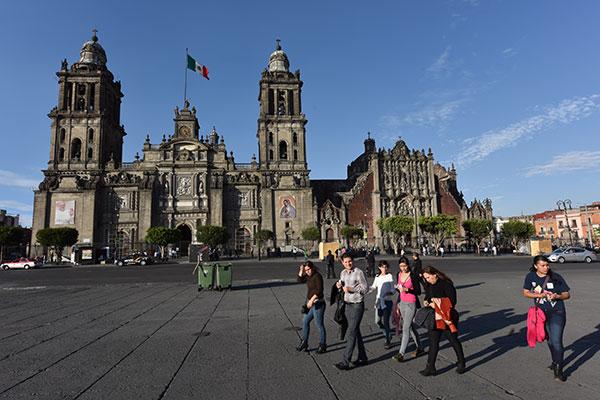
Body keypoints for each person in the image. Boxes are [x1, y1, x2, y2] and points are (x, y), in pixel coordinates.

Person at [522, 255, 571, 382]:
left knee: (556, 341)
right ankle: (555, 361)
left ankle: (558, 371)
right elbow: (526, 292)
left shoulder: (556, 277)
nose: (546, 267)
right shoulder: (530, 277)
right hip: (541, 314)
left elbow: (567, 294)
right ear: (535, 266)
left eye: (547, 265)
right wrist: (540, 294)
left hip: (557, 312)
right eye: (543, 265)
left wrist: (557, 296)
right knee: (549, 340)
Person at [420, 266, 466, 376]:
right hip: (435, 317)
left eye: (428, 277)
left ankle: (462, 362)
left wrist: (436, 304)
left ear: (435, 274)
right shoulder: (430, 285)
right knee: (433, 342)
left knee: (453, 340)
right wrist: (426, 301)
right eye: (425, 278)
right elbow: (428, 296)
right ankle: (430, 367)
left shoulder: (446, 284)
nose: (427, 280)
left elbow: (452, 302)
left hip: (447, 317)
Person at [334, 253, 368, 370]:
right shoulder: (343, 273)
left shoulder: (358, 272)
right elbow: (342, 285)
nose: (348, 263)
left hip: (357, 305)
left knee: (351, 332)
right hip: (347, 305)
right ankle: (363, 357)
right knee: (356, 331)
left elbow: (365, 288)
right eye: (346, 262)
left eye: (350, 261)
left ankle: (345, 361)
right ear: (342, 262)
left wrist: (351, 289)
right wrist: (339, 285)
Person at [392, 257, 424, 362]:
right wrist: (397, 303)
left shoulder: (413, 275)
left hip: (411, 303)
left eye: (405, 266)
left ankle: (401, 353)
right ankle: (420, 347)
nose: (403, 268)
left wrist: (407, 289)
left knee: (405, 328)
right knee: (409, 327)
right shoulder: (399, 274)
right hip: (402, 303)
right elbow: (399, 291)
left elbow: (418, 291)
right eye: (401, 266)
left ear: (408, 265)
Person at [296, 261, 327, 354]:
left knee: (319, 325)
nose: (308, 272)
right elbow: (299, 280)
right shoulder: (308, 276)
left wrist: (311, 300)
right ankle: (304, 342)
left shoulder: (317, 276)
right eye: (306, 270)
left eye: (309, 269)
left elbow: (319, 291)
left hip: (318, 304)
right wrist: (301, 270)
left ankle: (322, 345)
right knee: (305, 322)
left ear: (312, 268)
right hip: (310, 305)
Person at [367, 260, 395, 349]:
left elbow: (393, 290)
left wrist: (389, 293)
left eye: (386, 267)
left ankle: (387, 340)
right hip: (379, 301)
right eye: (383, 267)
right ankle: (387, 333)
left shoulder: (390, 276)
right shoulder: (377, 276)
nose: (384, 268)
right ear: (379, 267)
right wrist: (366, 290)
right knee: (377, 321)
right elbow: (373, 286)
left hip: (387, 302)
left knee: (386, 321)